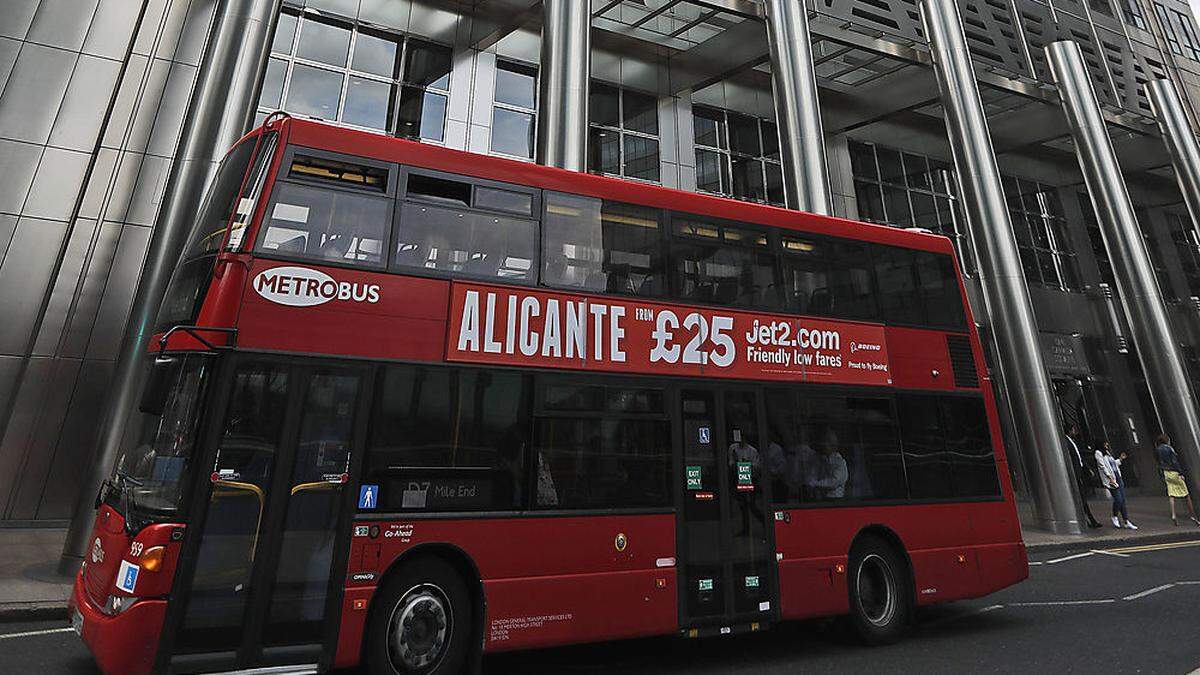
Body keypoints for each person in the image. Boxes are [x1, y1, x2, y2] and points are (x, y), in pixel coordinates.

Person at [1154, 433, 1200, 526]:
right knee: (1186, 495)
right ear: (1166, 440)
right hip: (1174, 472)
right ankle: (1193, 515)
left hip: (1166, 473)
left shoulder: (1157, 450)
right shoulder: (1169, 449)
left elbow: (1158, 463)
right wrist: (1181, 473)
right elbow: (1175, 462)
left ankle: (1173, 515)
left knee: (1171, 494)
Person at [1065, 425, 1102, 528]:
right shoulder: (1066, 442)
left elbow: (1079, 456)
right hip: (1075, 474)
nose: (1075, 431)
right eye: (1073, 429)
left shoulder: (1073, 442)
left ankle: (1090, 520)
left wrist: (1087, 468)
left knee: (1082, 497)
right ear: (1069, 431)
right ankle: (1089, 520)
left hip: (1080, 472)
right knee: (1081, 498)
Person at [1095, 441, 1136, 530]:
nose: (1107, 445)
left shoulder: (1108, 453)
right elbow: (1102, 466)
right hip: (1111, 479)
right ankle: (1114, 516)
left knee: (1123, 500)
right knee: (1118, 499)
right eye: (1105, 443)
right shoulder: (1098, 453)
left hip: (1117, 476)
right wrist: (1110, 477)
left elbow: (1113, 465)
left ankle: (1126, 521)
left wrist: (1120, 459)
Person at [805, 428, 849, 500]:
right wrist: (810, 482)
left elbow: (833, 482)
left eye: (825, 442)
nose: (822, 444)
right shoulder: (818, 459)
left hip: (835, 501)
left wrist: (814, 484)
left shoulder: (840, 462)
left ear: (832, 444)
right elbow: (812, 474)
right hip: (818, 499)